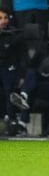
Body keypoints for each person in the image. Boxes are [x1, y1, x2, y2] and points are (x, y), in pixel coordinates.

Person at [0, 7, 23, 135]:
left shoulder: (14, 35)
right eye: (0, 18)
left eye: (5, 18)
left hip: (9, 67)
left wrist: (22, 75)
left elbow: (20, 57)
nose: (3, 21)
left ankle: (11, 122)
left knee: (10, 93)